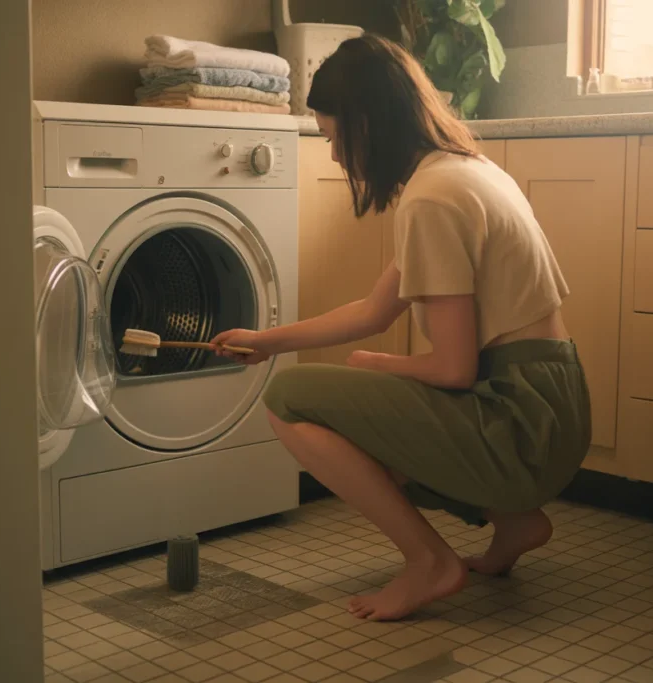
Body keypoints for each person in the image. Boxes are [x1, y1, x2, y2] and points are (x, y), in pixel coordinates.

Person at [212, 34, 591, 622]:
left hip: (520, 426)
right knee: (351, 396)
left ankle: (430, 562)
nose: (336, 156)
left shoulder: (432, 200)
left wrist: (377, 365)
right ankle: (514, 522)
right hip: (554, 409)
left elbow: (452, 369)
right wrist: (266, 341)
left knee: (288, 399)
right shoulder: (466, 172)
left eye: (335, 138)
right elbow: (372, 310)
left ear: (367, 125)